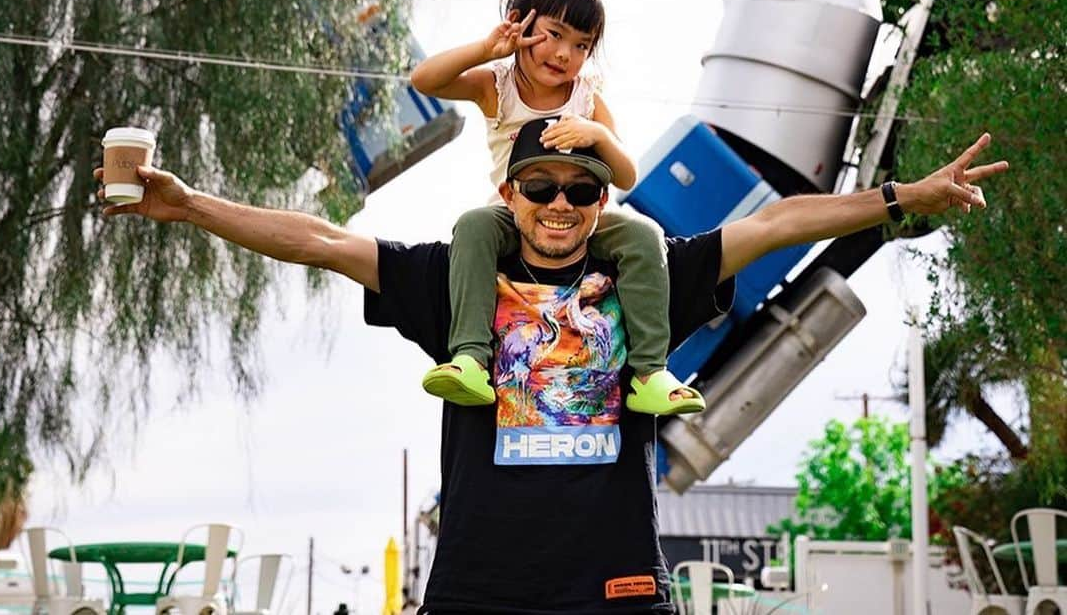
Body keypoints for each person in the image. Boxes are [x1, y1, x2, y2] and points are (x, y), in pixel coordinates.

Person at [97, 129, 1006, 615]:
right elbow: (325, 242)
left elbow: (776, 226)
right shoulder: (459, 277)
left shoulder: (652, 274)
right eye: (542, 189)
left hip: (614, 587)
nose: (561, 206)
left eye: (581, 191)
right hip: (478, 587)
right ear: (511, 197)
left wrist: (900, 200)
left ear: (600, 202)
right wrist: (194, 207)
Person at [409, 0, 701, 416]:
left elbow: (625, 176)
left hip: (582, 218)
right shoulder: (498, 86)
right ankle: (469, 358)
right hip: (516, 216)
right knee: (472, 227)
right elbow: (425, 80)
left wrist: (597, 135)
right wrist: (487, 48)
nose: (565, 54)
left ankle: (649, 373)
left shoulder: (586, 96)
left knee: (643, 235)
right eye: (554, 34)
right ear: (520, 23)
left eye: (581, 45)